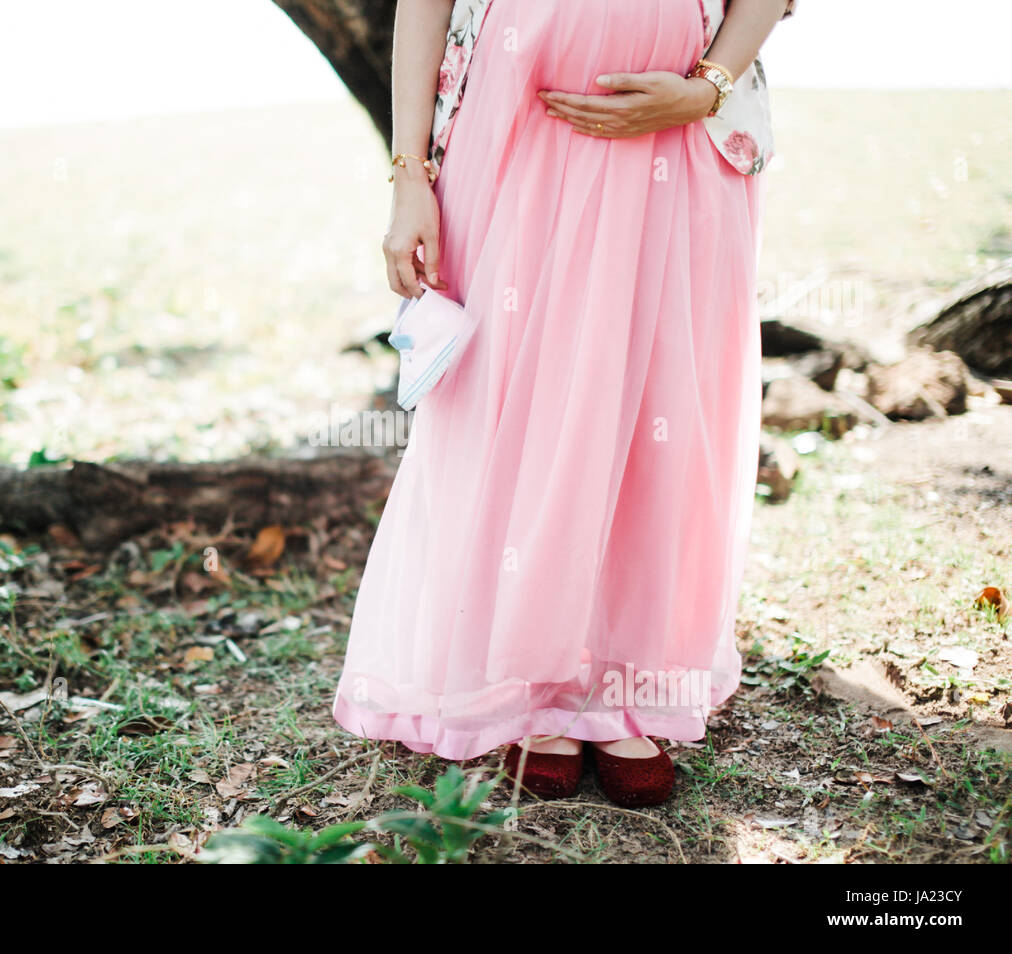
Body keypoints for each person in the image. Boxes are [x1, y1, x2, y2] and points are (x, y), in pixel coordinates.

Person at [333, 0, 794, 807]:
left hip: (677, 136)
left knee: (655, 408)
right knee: (522, 397)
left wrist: (709, 84)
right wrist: (410, 178)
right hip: (515, 134)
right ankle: (533, 683)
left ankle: (626, 685)